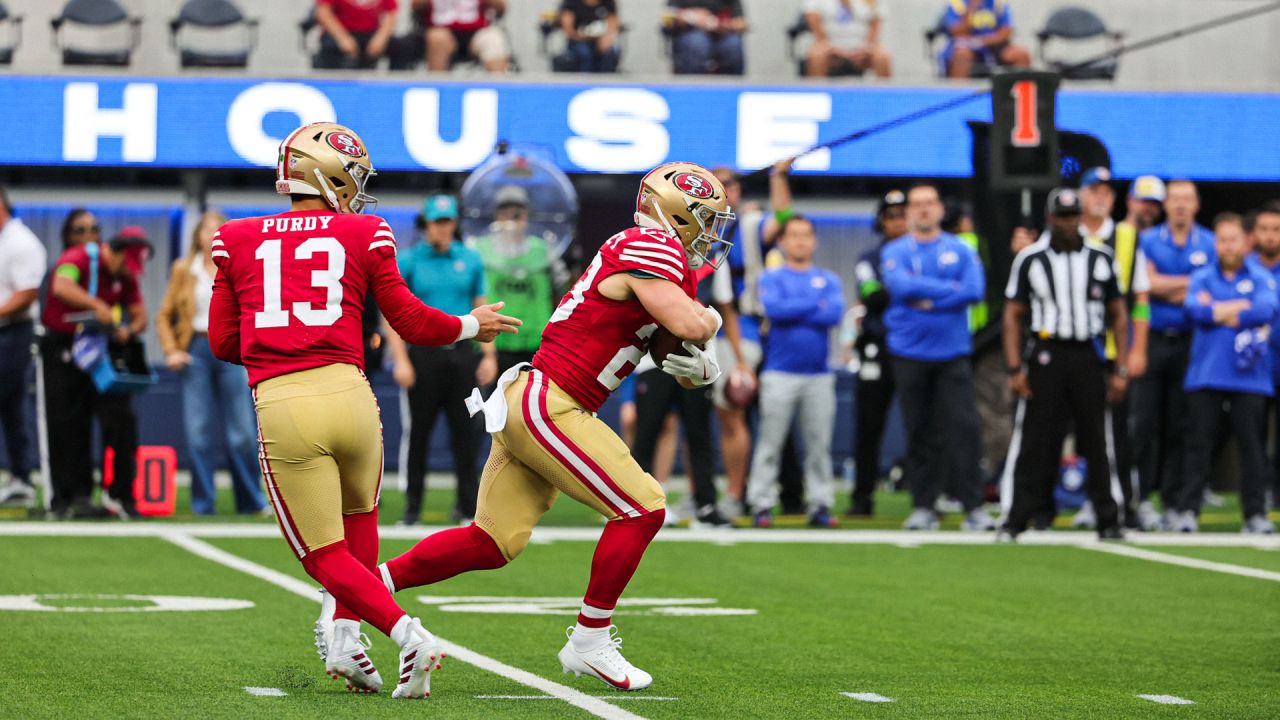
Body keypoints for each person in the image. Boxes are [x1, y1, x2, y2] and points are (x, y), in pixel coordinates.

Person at [372, 162, 730, 692]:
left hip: (537, 399)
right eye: (704, 219)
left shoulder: (659, 259)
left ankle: (366, 585)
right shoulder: (650, 245)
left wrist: (694, 365)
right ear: (674, 213)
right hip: (552, 402)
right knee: (643, 507)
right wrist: (710, 327)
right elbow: (689, 322)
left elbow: (665, 339)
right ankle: (590, 638)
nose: (709, 233)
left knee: (492, 542)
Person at [211, 121, 519, 697]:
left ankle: (409, 636)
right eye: (351, 178)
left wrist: (271, 332)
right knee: (361, 524)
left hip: (285, 398)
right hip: (353, 396)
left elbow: (223, 343)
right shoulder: (366, 231)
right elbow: (409, 319)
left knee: (321, 553)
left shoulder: (235, 237)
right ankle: (348, 643)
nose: (357, 189)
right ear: (326, 176)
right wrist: (473, 324)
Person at [998, 188, 1128, 542]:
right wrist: (1013, 368)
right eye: (1062, 216)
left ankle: (1109, 518)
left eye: (1074, 216)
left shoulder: (1101, 258)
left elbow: (1119, 314)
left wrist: (1121, 367)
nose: (1069, 223)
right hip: (1046, 353)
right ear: (1050, 218)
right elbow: (1012, 316)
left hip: (1089, 353)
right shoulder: (1030, 259)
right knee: (1034, 439)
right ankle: (1018, 516)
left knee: (1097, 439)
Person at [881, 184, 993, 531]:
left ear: (941, 209)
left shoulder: (960, 249)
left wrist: (924, 295)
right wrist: (950, 293)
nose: (924, 210)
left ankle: (974, 507)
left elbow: (974, 291)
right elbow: (900, 288)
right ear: (908, 212)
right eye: (917, 204)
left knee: (965, 429)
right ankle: (923, 506)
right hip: (908, 352)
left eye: (930, 203)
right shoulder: (896, 250)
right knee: (919, 431)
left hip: (952, 352)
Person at [387, 193, 495, 526]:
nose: (443, 228)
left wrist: (488, 354)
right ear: (426, 225)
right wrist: (401, 360)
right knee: (418, 433)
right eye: (437, 222)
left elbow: (482, 305)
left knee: (466, 432)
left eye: (448, 222)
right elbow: (392, 315)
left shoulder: (470, 259)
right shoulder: (408, 261)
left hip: (462, 354)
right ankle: (412, 508)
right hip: (423, 356)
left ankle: (467, 508)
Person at [155, 209, 268, 516]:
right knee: (199, 431)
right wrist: (170, 350)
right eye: (206, 229)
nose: (212, 233)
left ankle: (251, 501)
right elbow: (164, 315)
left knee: (243, 431)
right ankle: (203, 504)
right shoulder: (184, 269)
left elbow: (254, 309)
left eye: (218, 228)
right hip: (196, 348)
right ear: (197, 236)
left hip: (231, 349)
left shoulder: (238, 267)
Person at [708, 161, 804, 517]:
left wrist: (778, 177)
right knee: (708, 419)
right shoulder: (692, 228)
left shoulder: (746, 227)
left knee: (733, 413)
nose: (724, 189)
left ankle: (737, 496)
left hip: (741, 332)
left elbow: (783, 216)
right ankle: (714, 494)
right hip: (696, 330)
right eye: (716, 184)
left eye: (730, 183)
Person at [39, 227, 152, 519]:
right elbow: (60, 286)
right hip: (63, 347)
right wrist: (96, 305)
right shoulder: (78, 258)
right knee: (68, 423)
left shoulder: (125, 277)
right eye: (127, 264)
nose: (129, 272)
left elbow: (141, 314)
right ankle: (70, 498)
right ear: (113, 252)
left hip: (101, 351)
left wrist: (130, 328)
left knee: (121, 419)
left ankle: (121, 495)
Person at [1176, 214, 1277, 534]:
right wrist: (1239, 307)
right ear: (1215, 243)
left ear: (1244, 242)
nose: (1228, 245)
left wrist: (1218, 307)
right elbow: (1194, 310)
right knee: (1198, 446)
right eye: (1222, 239)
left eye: (1234, 239)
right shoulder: (1203, 275)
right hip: (1207, 373)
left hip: (1250, 377)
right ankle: (1188, 511)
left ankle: (1254, 514)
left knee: (1252, 448)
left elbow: (1266, 310)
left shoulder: (1260, 276)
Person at [746, 215, 845, 528]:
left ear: (814, 241)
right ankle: (761, 503)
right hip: (779, 373)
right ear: (783, 241)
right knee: (770, 443)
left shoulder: (829, 278)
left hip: (819, 374)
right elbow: (775, 310)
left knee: (819, 446)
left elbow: (834, 314)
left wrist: (798, 307)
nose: (801, 241)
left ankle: (820, 504)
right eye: (794, 235)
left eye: (806, 235)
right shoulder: (772, 277)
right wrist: (813, 304)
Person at [1069, 168, 1152, 530]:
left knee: (1115, 432)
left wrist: (1136, 350)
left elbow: (1141, 301)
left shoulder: (1127, 237)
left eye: (1106, 191)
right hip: (1069, 346)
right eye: (1093, 190)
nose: (1099, 197)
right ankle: (1083, 499)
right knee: (1073, 429)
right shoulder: (1065, 233)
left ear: (1114, 199)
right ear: (1081, 195)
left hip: (1110, 349)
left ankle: (1122, 503)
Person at [1131, 180, 1214, 529]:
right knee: (1143, 423)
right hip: (1151, 339)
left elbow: (1209, 287)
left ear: (1196, 205)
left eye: (1187, 199)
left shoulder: (1209, 242)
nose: (1180, 205)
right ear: (1166, 206)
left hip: (1192, 341)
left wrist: (1167, 283)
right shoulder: (1147, 241)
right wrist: (1189, 284)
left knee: (1183, 423)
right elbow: (1145, 287)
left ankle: (1176, 502)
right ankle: (1140, 498)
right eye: (1174, 199)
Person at [845, 190, 906, 516]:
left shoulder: (923, 253)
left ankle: (929, 496)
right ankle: (862, 496)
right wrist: (913, 290)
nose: (898, 221)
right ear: (882, 221)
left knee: (924, 425)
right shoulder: (869, 258)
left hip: (914, 347)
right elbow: (873, 296)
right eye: (892, 215)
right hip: (878, 346)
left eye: (903, 214)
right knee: (868, 426)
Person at [472, 185, 568, 372]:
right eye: (505, 212)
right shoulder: (479, 249)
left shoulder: (544, 250)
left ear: (527, 216)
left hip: (536, 345)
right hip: (493, 342)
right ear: (496, 216)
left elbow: (564, 291)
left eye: (517, 213)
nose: (512, 219)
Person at [0, 188, 46, 509]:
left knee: (11, 403)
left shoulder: (21, 242)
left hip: (13, 332)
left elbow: (27, 293)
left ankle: (22, 477)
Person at [1247, 201, 1280, 508]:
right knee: (1251, 436)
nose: (1271, 236)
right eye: (1265, 229)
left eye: (1276, 230)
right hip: (1251, 366)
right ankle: (1255, 496)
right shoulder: (1243, 268)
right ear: (1254, 233)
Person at [940, 0, 1031, 78]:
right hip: (967, 46)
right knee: (962, 55)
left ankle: (1020, 94)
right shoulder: (957, 4)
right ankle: (959, 92)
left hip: (993, 45)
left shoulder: (998, 4)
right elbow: (957, 32)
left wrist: (984, 41)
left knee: (1021, 55)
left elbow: (1006, 31)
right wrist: (971, 10)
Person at [413, 0, 511, 73]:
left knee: (494, 39)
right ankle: (438, 88)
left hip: (477, 30)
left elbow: (501, 7)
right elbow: (415, 5)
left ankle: (499, 90)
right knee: (438, 39)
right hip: (441, 29)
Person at [802, 0, 891, 78]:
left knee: (882, 57)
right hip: (828, 46)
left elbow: (875, 23)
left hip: (862, 47)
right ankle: (818, 93)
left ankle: (885, 96)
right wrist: (829, 47)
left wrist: (866, 48)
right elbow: (813, 19)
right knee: (817, 55)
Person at [314, 0, 403, 70]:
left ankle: (398, 84)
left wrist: (381, 38)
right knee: (331, 47)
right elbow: (323, 12)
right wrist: (342, 38)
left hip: (370, 33)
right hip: (340, 32)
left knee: (400, 47)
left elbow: (391, 14)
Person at [668, 0, 746, 75]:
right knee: (696, 42)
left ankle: (731, 87)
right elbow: (669, 14)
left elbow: (741, 23)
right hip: (689, 34)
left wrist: (716, 24)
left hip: (721, 36)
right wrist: (693, 17)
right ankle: (692, 86)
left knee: (733, 44)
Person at [560, 0, 620, 73]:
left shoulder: (608, 2)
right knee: (584, 53)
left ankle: (606, 81)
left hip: (600, 41)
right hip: (577, 41)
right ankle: (584, 81)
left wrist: (607, 38)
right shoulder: (571, 2)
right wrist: (583, 36)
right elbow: (567, 27)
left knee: (611, 52)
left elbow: (613, 23)